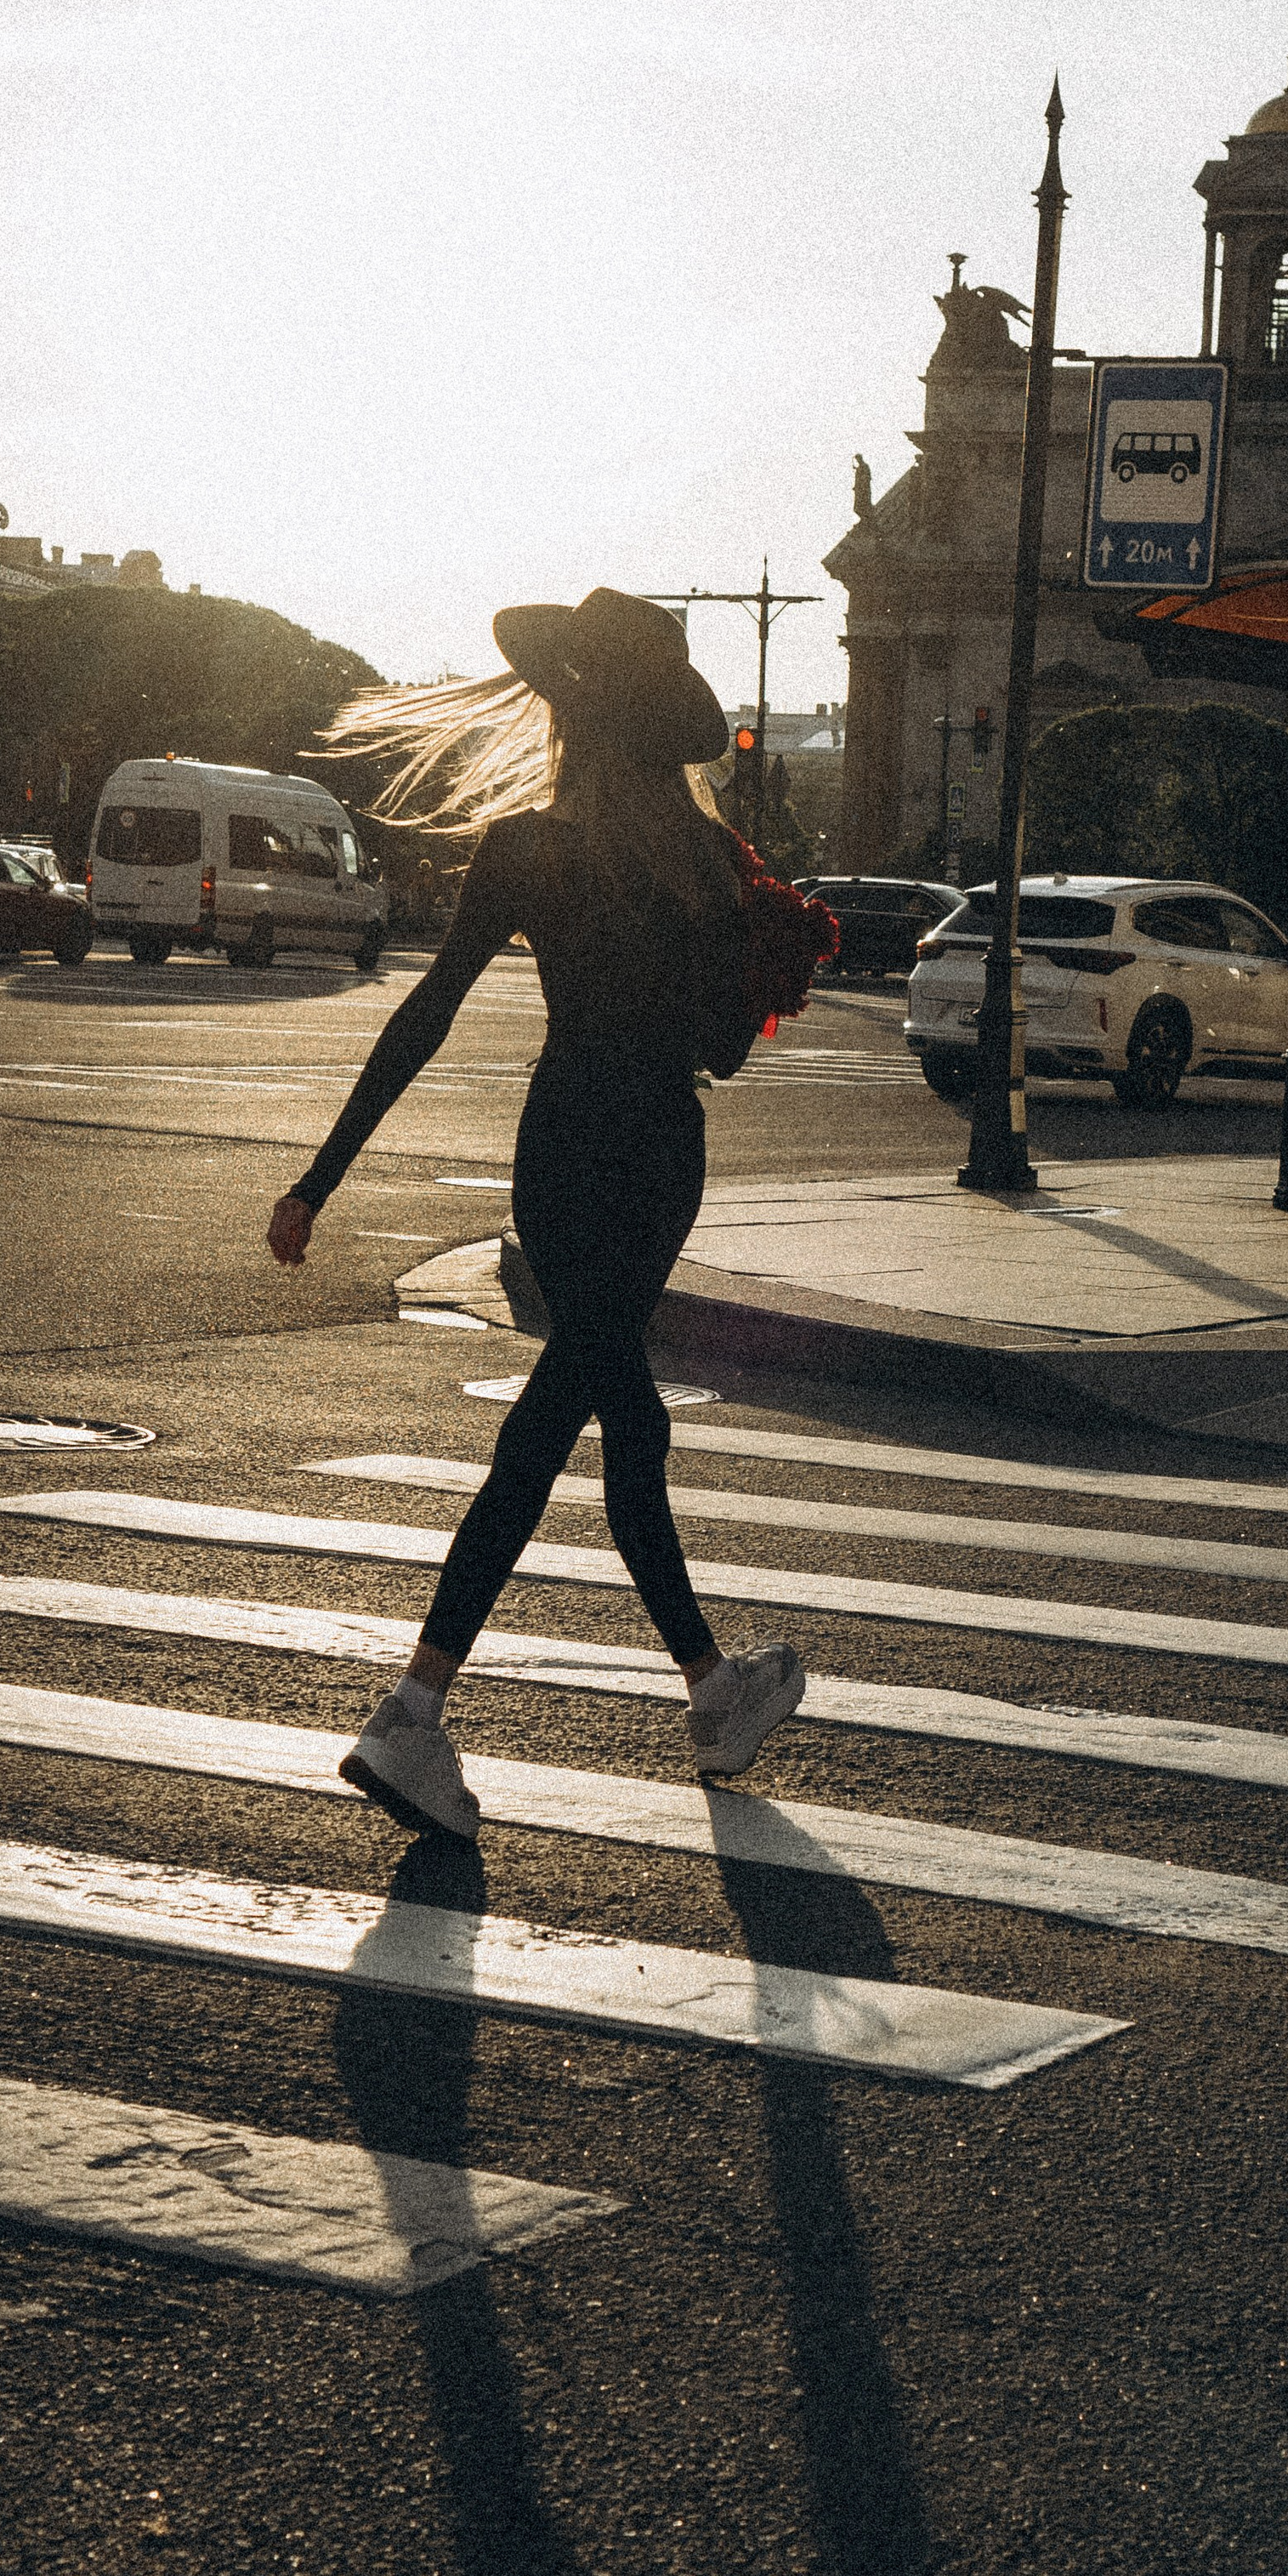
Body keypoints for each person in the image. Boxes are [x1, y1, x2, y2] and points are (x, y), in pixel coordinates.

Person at [267, 588, 807, 1837]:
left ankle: (711, 1690)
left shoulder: (525, 847)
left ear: (568, 712)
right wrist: (770, 962)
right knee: (574, 1407)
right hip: (658, 1153)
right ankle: (413, 1712)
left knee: (623, 1412)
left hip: (558, 1152)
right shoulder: (706, 871)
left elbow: (425, 1017)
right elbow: (719, 1051)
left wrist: (320, 1178)